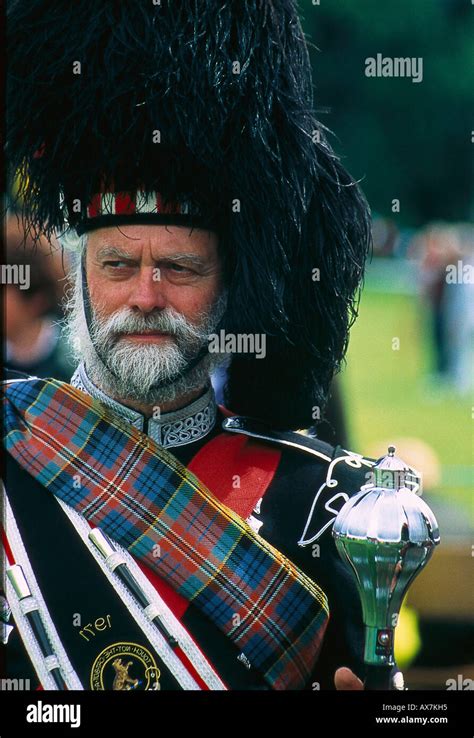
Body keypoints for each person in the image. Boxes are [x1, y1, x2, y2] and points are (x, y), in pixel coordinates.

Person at [2, 0, 408, 691]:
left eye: (181, 269)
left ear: (230, 288)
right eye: (118, 266)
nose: (147, 297)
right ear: (76, 277)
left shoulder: (326, 504)